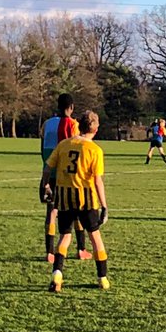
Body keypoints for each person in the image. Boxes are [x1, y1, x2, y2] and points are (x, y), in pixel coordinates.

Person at [41, 109, 110, 291]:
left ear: (79, 125)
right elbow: (97, 180)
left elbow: (48, 167)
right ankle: (102, 278)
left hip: (64, 197)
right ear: (96, 129)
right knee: (95, 237)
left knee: (65, 237)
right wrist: (104, 206)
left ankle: (57, 274)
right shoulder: (95, 150)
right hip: (86, 199)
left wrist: (45, 186)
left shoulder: (64, 144)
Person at [40, 93, 85, 265]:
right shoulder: (74, 125)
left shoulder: (47, 124)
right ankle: (81, 249)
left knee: (51, 211)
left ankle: (49, 252)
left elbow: (41, 147)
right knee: (76, 211)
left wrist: (46, 168)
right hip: (67, 175)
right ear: (71, 107)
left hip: (48, 171)